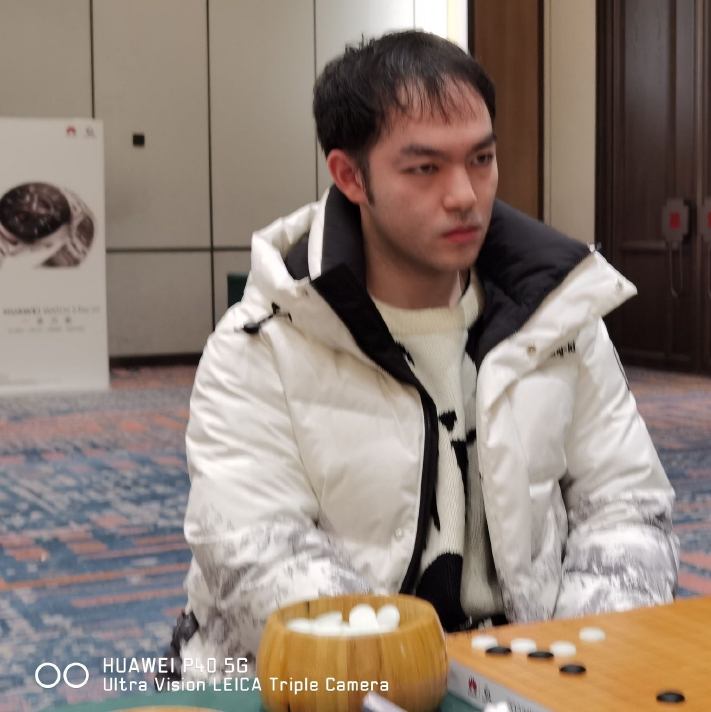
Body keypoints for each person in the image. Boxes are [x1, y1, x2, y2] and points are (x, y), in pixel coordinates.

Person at [162, 30, 679, 681]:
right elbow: (259, 557)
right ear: (350, 176)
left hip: (527, 670)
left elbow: (627, 507)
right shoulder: (262, 344)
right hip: (335, 678)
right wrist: (411, 671)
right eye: (425, 168)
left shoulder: (560, 319)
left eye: (482, 158)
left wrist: (575, 658)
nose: (465, 194)